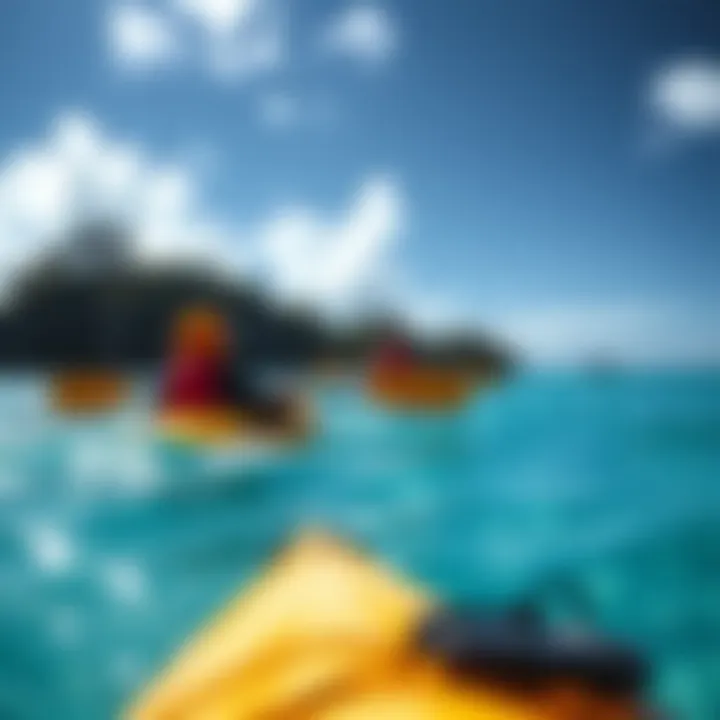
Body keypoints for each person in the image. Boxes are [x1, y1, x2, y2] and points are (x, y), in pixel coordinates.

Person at [159, 307, 290, 427]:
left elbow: (241, 397)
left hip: (198, 424)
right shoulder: (213, 369)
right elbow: (242, 400)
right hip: (214, 425)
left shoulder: (182, 369)